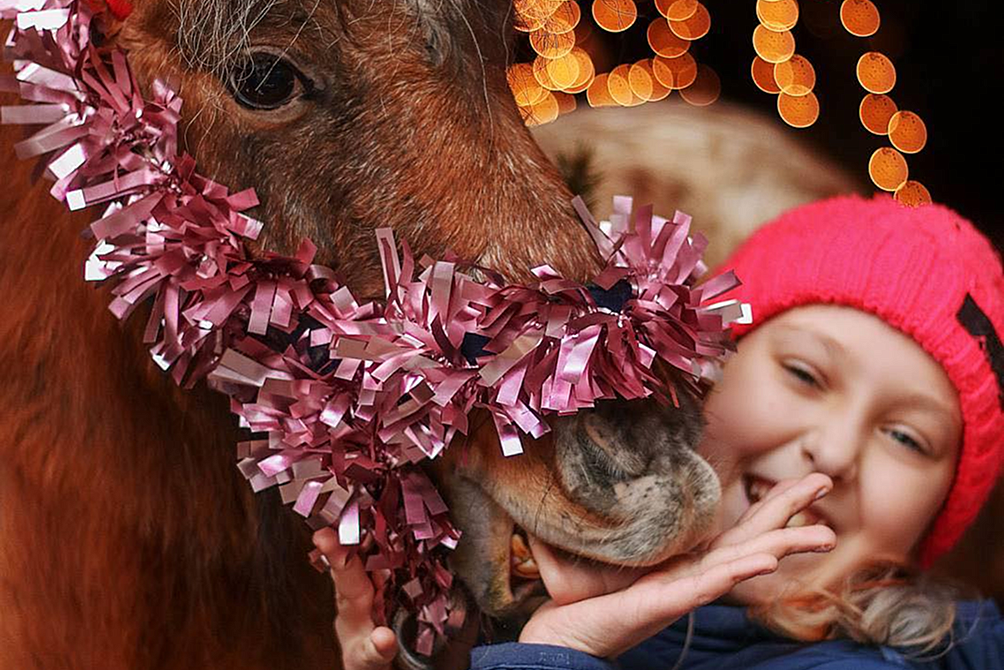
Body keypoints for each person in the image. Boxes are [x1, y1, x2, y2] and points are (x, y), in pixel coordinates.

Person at [312, 195, 1004, 669]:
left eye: (908, 438)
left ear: (939, 513)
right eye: (805, 374)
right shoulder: (529, 587)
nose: (835, 449)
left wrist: (562, 652)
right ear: (703, 373)